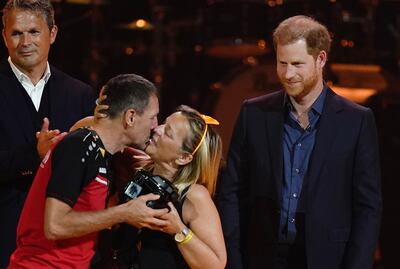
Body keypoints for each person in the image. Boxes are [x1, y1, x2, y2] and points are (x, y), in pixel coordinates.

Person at [216, 15, 382, 269]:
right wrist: (234, 260)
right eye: (282, 63)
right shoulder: (254, 113)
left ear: (321, 59)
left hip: (327, 259)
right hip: (263, 258)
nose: (287, 74)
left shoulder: (356, 121)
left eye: (297, 64)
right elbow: (232, 191)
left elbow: (368, 207)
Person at [7, 74, 169, 268]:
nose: (155, 126)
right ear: (131, 116)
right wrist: (124, 213)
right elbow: (54, 226)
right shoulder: (79, 147)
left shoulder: (100, 150)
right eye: (152, 117)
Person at [0, 0, 95, 266]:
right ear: (4, 36)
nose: (25, 41)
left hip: (64, 244)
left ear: (52, 34)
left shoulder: (79, 93)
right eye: (16, 33)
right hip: (6, 237)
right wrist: (35, 156)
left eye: (34, 31)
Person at [134, 105, 226, 269]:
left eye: (168, 132)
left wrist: (178, 230)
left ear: (183, 157)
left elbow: (216, 264)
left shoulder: (194, 195)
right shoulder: (139, 171)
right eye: (163, 123)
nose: (157, 129)